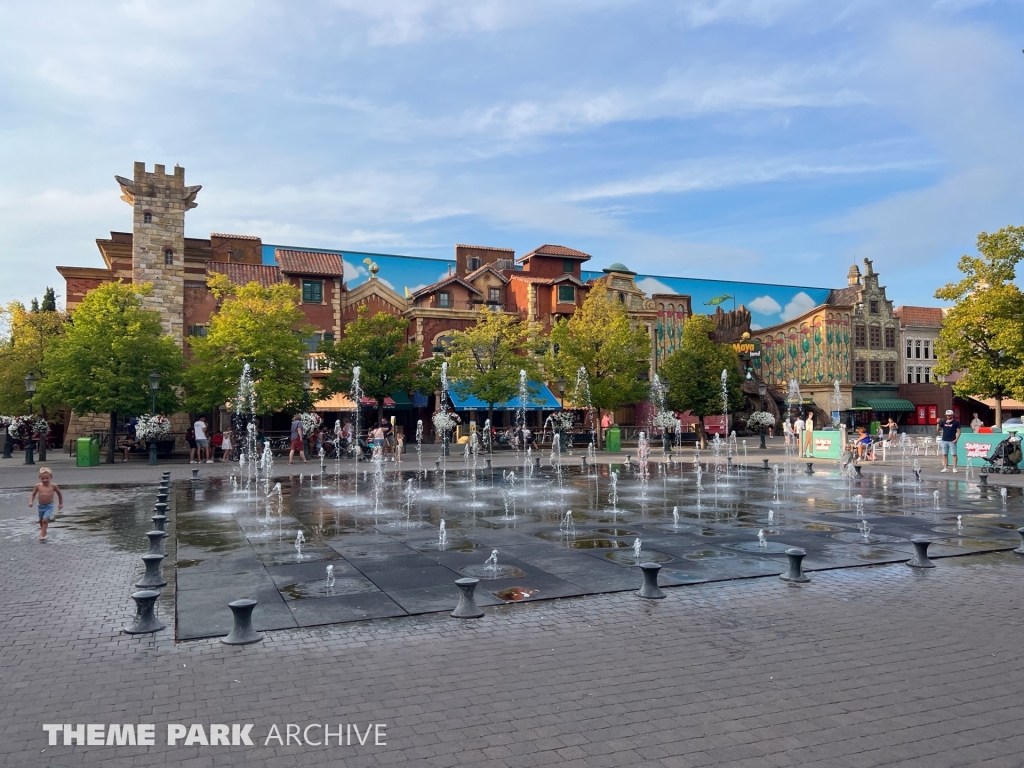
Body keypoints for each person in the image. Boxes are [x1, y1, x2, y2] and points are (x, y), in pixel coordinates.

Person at [29, 467, 63, 542]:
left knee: (45, 520)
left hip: (49, 506)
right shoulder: (38, 486)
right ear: (39, 478)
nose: (45, 480)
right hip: (40, 506)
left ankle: (42, 535)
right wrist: (31, 502)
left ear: (51, 477)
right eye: (43, 479)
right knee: (41, 521)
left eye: (47, 478)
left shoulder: (53, 486)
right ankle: (44, 531)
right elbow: (33, 494)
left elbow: (59, 494)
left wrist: (60, 503)